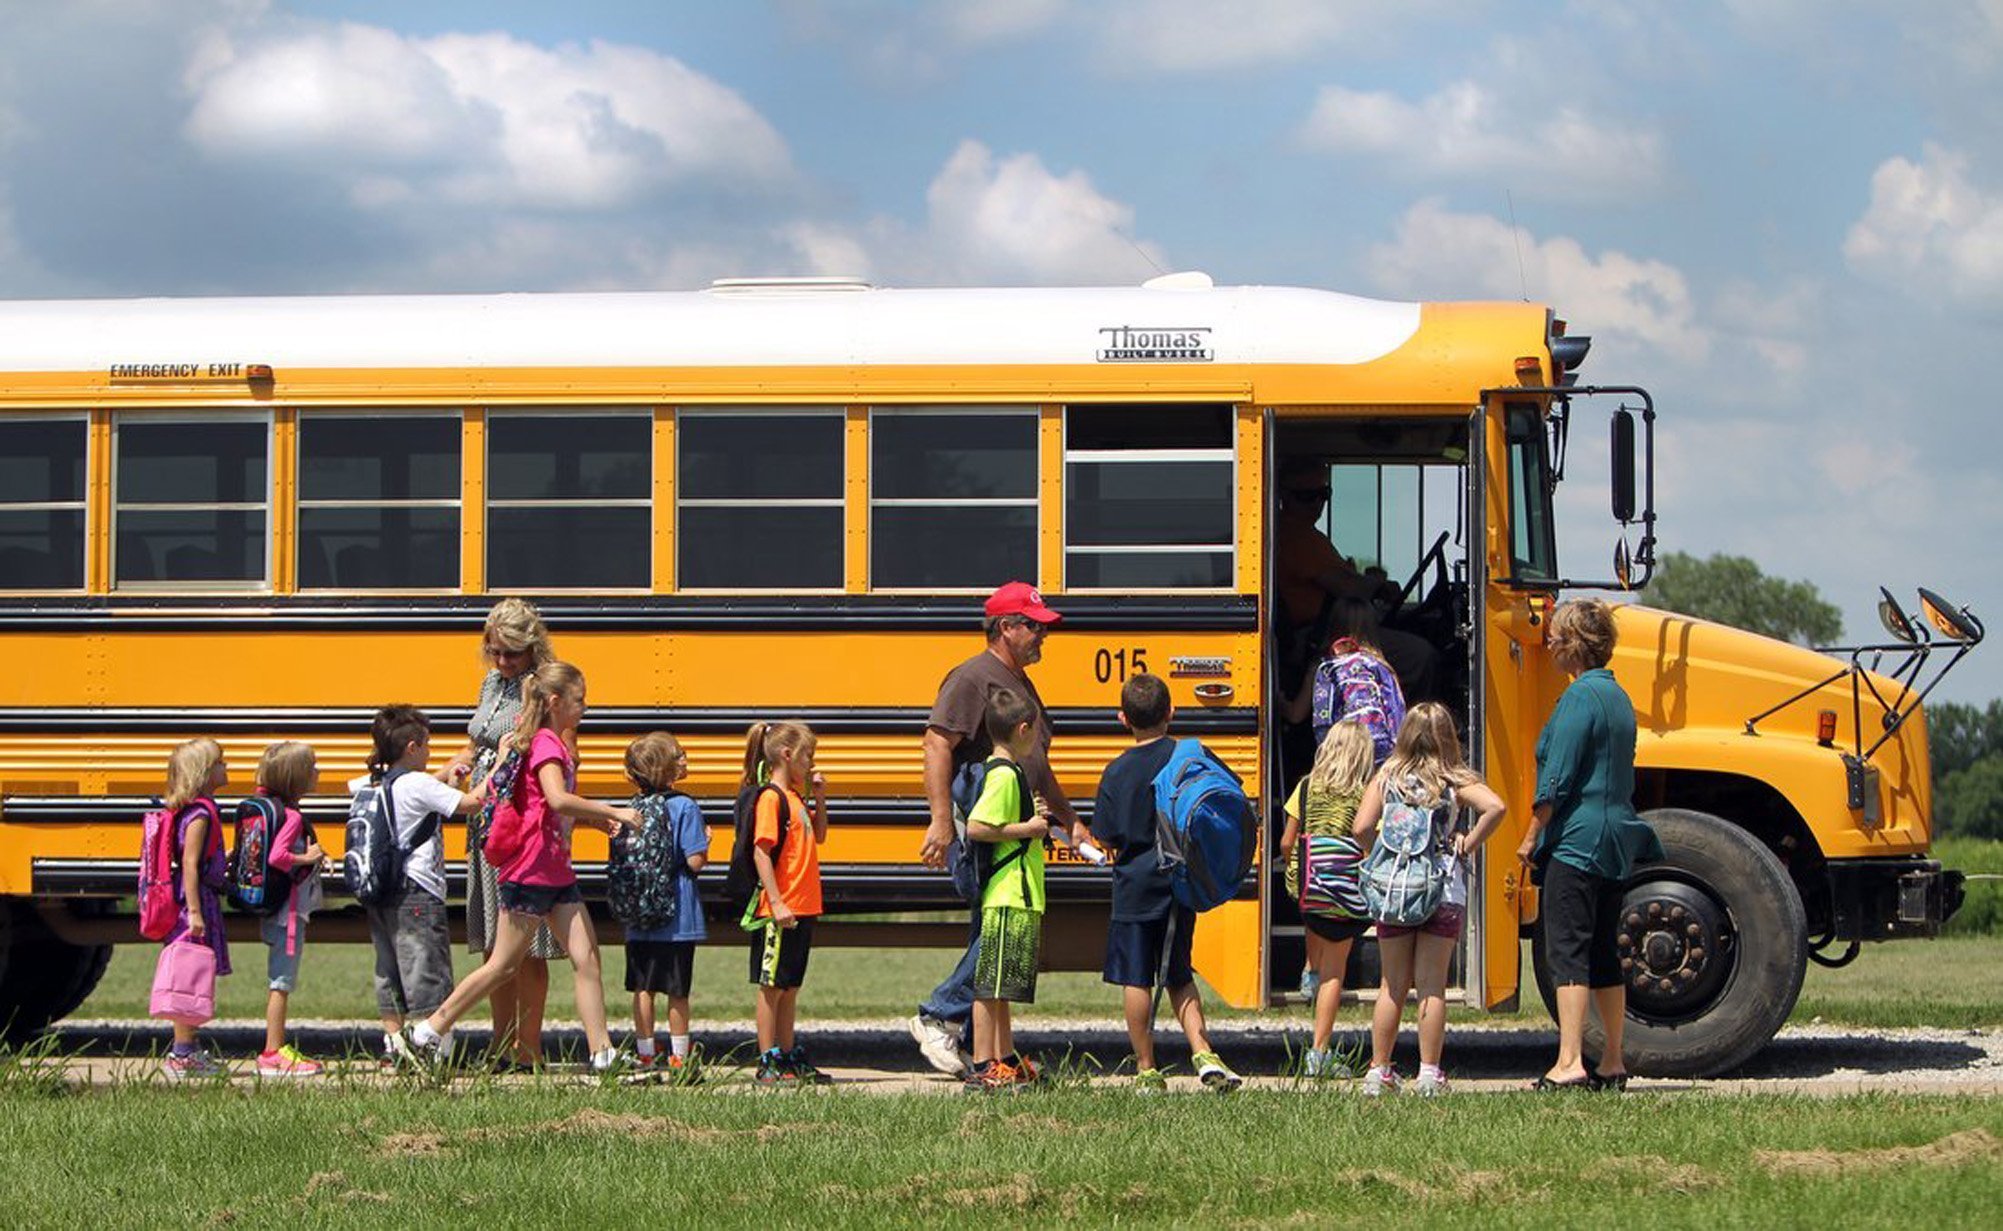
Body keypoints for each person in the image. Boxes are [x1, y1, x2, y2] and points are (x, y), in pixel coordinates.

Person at [911, 581, 1101, 1077]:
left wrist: (1070, 819)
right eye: (1034, 627)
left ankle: (989, 1055)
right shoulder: (973, 678)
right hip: (991, 831)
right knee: (997, 936)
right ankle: (938, 1016)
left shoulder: (1017, 680)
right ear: (1006, 628)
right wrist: (939, 822)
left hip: (1017, 833)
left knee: (994, 935)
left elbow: (1036, 763)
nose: (1043, 636)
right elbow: (936, 745)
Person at [410, 662, 637, 1073]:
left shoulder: (549, 742)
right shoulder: (547, 744)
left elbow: (548, 807)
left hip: (554, 871)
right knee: (503, 966)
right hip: (530, 871)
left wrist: (593, 820)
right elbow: (555, 799)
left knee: (587, 960)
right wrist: (613, 810)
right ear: (555, 702)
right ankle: (428, 1030)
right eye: (579, 700)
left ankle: (602, 1055)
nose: (585, 707)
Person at [1519, 598, 1663, 1092]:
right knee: (1604, 952)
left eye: (1555, 639)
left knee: (1568, 951)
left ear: (1572, 646)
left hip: (1578, 840)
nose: (1550, 646)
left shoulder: (1579, 697)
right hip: (1616, 839)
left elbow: (1557, 776)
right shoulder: (1618, 696)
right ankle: (1613, 1061)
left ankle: (1569, 1062)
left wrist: (1531, 834)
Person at [1090, 673, 1244, 1093]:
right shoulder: (1191, 753)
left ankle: (1146, 1068)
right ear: (1171, 711)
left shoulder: (1117, 770)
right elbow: (1228, 795)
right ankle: (1203, 1051)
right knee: (1178, 973)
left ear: (1123, 718)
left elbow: (1107, 835)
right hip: (1180, 881)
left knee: (1136, 977)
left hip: (1134, 885)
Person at [1355, 702, 1507, 1096]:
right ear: (1446, 737)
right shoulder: (1453, 778)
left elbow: (1361, 826)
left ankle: (1379, 1070)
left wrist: (1382, 856)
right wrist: (1467, 844)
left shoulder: (1386, 776)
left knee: (1392, 985)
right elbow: (1496, 807)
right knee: (1432, 987)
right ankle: (1428, 1073)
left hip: (1395, 892)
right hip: (1441, 887)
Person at [443, 598, 562, 1070]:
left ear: (532, 647)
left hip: (521, 818)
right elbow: (479, 738)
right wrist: (456, 765)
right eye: (494, 651)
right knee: (495, 939)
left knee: (526, 942)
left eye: (511, 652)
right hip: (486, 820)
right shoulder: (493, 681)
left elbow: (557, 749)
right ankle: (501, 1043)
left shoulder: (544, 687)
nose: (501, 661)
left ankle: (527, 1047)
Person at [354, 705, 485, 1068]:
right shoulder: (419, 783)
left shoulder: (377, 782)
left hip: (380, 890)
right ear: (412, 747)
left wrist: (449, 781)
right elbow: (474, 804)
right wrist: (504, 763)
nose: (430, 752)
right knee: (427, 968)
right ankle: (434, 1053)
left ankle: (393, 1044)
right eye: (427, 745)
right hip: (416, 891)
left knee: (389, 967)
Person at [1273, 458, 1435, 700]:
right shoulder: (1296, 536)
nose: (1317, 504)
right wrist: (1378, 583)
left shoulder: (1305, 535)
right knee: (1420, 655)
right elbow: (1348, 587)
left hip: (1329, 629)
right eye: (1306, 496)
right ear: (1284, 495)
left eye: (1323, 494)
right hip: (1317, 636)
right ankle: (1409, 729)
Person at [963, 687, 1054, 1093]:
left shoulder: (1009, 772)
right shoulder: (1001, 775)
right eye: (1035, 730)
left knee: (1003, 986)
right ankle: (985, 1063)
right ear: (1022, 729)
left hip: (1019, 894)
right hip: (1006, 894)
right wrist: (1030, 828)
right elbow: (977, 827)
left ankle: (1005, 1057)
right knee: (990, 987)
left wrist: (1032, 815)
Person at [1276, 719, 1375, 1079]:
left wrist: (1296, 867)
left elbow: (1287, 843)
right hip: (1346, 894)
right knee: (1337, 974)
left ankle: (1309, 970)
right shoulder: (1365, 791)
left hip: (1309, 890)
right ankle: (1319, 1051)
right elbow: (1368, 840)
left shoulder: (1306, 787)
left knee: (1313, 911)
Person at [742, 720, 832, 1086]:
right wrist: (776, 901)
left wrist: (820, 796)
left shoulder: (795, 799)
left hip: (804, 906)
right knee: (772, 987)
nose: (811, 763)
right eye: (807, 755)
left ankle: (787, 1052)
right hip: (780, 910)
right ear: (786, 754)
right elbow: (761, 852)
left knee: (790, 986)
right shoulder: (771, 798)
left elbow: (821, 835)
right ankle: (768, 1059)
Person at [621, 731, 709, 1081]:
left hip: (638, 915)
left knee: (643, 987)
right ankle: (678, 1057)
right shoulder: (684, 806)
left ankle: (645, 1054)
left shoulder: (632, 808)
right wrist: (705, 842)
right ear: (669, 769)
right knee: (676, 990)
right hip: (677, 917)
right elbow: (695, 862)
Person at [157, 737, 231, 1080]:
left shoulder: (195, 810)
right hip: (194, 902)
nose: (225, 767)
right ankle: (182, 1053)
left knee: (193, 975)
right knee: (189, 975)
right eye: (220, 762)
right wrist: (196, 911)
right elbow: (189, 864)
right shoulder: (200, 814)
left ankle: (186, 1048)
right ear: (203, 772)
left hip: (196, 899)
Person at [252, 740, 327, 1078]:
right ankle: (273, 1051)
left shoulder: (270, 809)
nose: (318, 772)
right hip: (289, 914)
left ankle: (275, 1047)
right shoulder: (292, 817)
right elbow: (277, 858)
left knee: (279, 980)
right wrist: (307, 858)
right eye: (312, 768)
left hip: (277, 909)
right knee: (280, 983)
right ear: (298, 779)